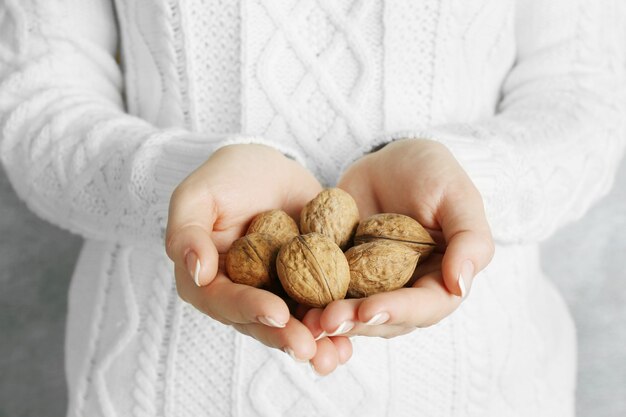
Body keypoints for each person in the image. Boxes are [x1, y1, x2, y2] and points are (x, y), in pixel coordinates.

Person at [0, 0, 624, 416]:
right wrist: (182, 183)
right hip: (162, 390)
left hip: (483, 389)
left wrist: (471, 185)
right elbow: (33, 107)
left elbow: (587, 100)